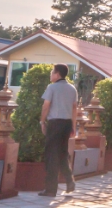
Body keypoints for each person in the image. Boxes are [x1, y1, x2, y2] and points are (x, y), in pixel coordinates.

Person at [39, 63, 77, 197]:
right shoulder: (72, 89)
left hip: (55, 123)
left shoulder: (52, 87)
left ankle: (50, 189)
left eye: (52, 72)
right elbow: (74, 108)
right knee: (62, 153)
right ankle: (69, 181)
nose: (51, 74)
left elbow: (46, 106)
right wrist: (73, 126)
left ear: (57, 74)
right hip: (67, 124)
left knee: (51, 155)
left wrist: (42, 121)